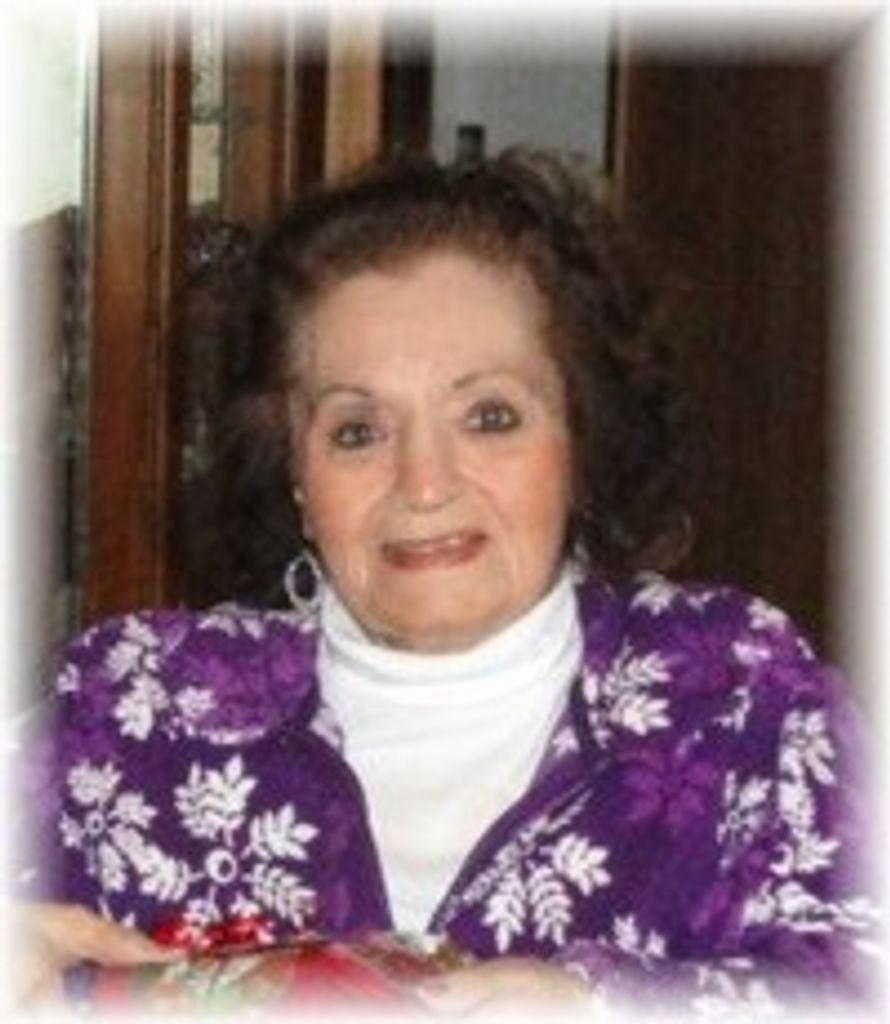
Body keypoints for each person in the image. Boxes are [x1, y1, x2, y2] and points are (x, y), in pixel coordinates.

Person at [14, 149, 881, 1016]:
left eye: (490, 417)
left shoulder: (740, 698)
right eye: (357, 431)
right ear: (295, 477)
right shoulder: (134, 710)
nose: (424, 484)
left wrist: (595, 1004)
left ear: (580, 443)